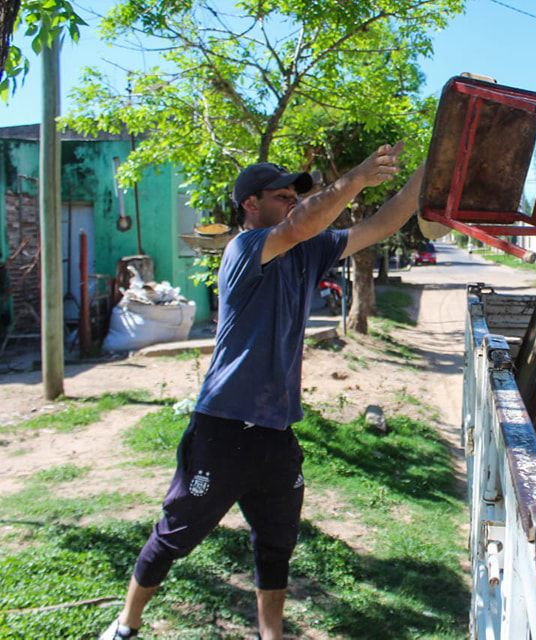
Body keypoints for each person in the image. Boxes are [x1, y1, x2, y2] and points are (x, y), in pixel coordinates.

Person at [100, 142, 424, 640]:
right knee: (175, 535)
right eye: (281, 195)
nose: (293, 201)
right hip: (223, 427)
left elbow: (379, 226)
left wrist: (431, 170)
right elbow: (301, 223)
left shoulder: (307, 250)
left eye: (297, 194)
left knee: (276, 542)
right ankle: (126, 624)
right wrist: (356, 177)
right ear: (251, 204)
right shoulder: (245, 247)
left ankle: (270, 635)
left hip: (274, 433)